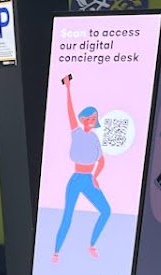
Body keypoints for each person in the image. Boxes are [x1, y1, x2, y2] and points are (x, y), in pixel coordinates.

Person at [52, 74, 110, 263]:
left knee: (106, 211)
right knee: (68, 215)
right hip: (76, 179)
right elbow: (70, 112)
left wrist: (96, 177)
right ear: (83, 118)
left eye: (94, 119)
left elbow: (101, 161)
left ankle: (92, 244)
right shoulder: (76, 133)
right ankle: (56, 252)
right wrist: (68, 88)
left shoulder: (94, 138)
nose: (91, 121)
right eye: (89, 118)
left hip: (88, 179)